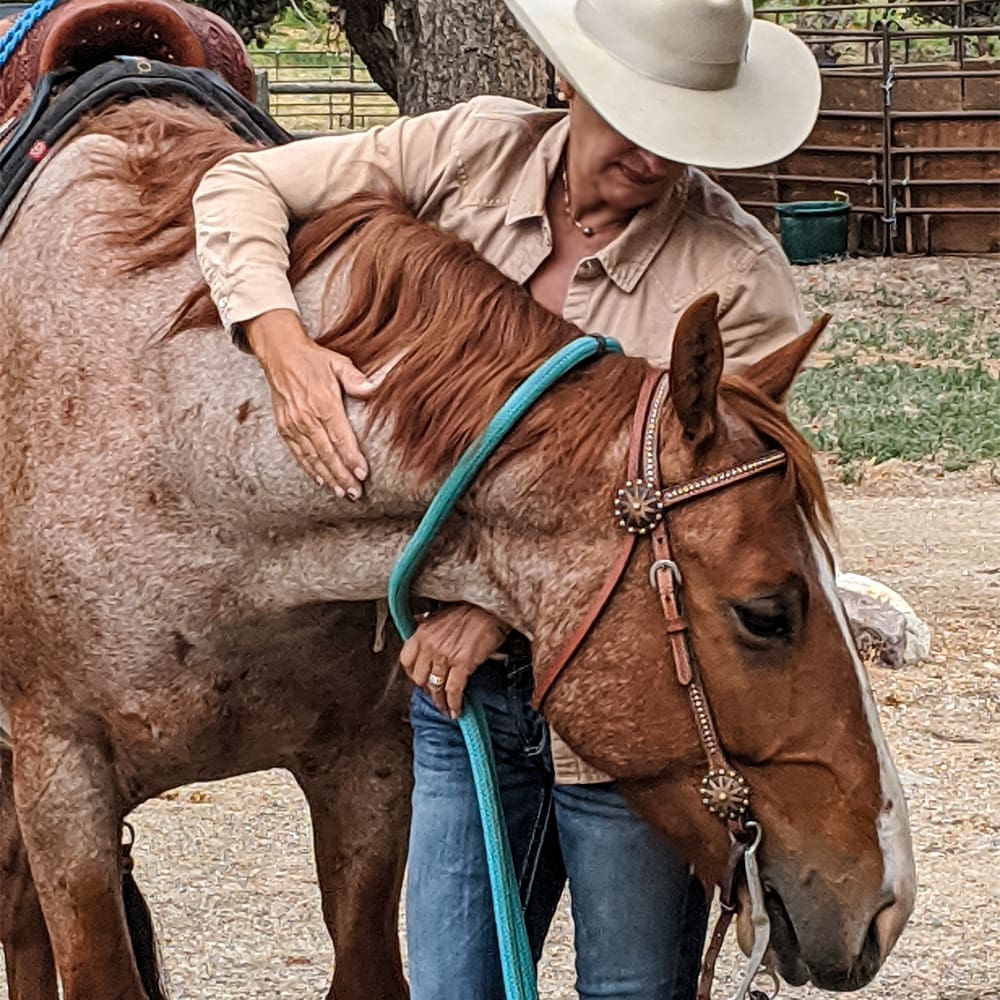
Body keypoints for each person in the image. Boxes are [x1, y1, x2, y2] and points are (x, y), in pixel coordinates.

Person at [192, 1, 821, 996]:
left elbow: (729, 511)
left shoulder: (736, 282)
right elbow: (239, 181)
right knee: (453, 986)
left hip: (622, 712)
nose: (653, 156)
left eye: (680, 132)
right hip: (465, 706)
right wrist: (279, 342)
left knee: (632, 990)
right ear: (568, 82)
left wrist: (490, 604)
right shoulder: (470, 150)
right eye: (632, 114)